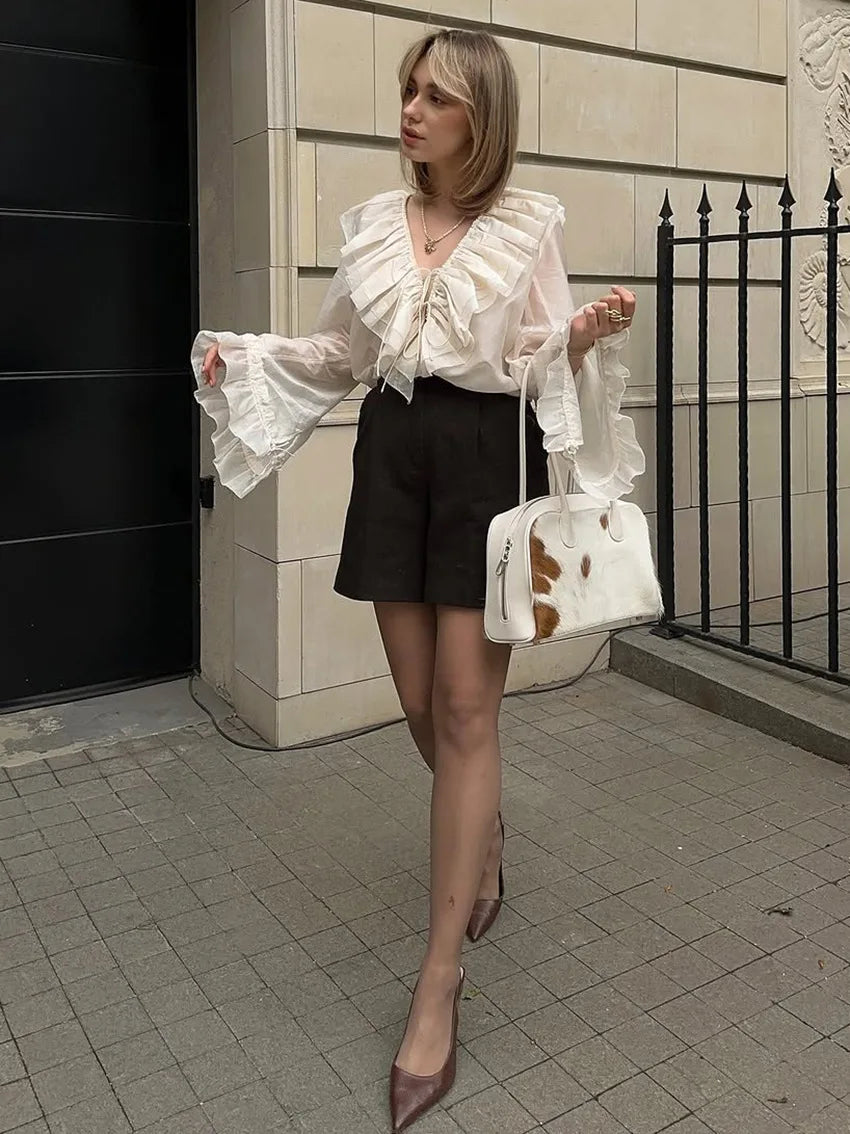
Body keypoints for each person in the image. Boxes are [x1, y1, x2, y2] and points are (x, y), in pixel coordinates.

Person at [195, 29, 643, 1133]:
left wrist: (577, 337)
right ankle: (480, 836)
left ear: (477, 117)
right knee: (416, 703)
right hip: (392, 456)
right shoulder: (374, 229)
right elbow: (341, 354)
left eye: (435, 96)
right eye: (408, 89)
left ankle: (438, 981)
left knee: (465, 709)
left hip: (483, 455)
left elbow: (536, 358)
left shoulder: (528, 226)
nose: (410, 109)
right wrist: (245, 360)